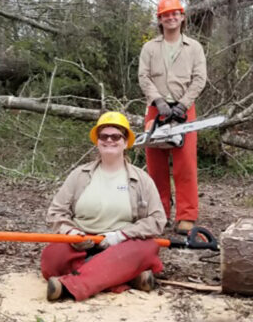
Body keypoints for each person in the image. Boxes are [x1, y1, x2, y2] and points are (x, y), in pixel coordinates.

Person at [42, 112, 167, 301]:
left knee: (147, 248)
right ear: (97, 141)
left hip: (122, 246)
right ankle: (127, 276)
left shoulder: (142, 180)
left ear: (126, 143)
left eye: (116, 136)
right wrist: (70, 232)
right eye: (104, 136)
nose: (109, 140)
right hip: (81, 246)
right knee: (51, 257)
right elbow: (56, 212)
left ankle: (69, 287)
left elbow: (157, 220)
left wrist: (121, 236)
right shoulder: (79, 175)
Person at [137, 0, 207, 235]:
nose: (171, 17)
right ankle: (159, 213)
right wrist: (157, 100)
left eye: (174, 13)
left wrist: (183, 105)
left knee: (185, 165)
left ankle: (187, 216)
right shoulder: (150, 48)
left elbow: (200, 79)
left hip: (184, 109)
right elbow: (143, 77)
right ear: (160, 19)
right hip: (156, 109)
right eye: (166, 14)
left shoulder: (194, 48)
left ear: (182, 17)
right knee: (155, 165)